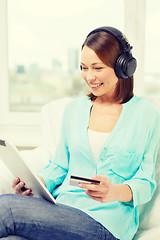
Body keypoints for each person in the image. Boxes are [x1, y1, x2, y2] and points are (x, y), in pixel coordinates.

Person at [0, 26, 160, 240]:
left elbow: (146, 182)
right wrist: (37, 183)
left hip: (107, 224)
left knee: (7, 208)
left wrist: (114, 191)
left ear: (123, 67)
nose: (89, 76)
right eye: (84, 67)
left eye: (97, 67)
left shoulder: (146, 115)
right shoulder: (74, 110)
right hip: (62, 211)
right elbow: (59, 165)